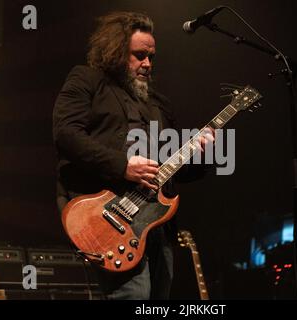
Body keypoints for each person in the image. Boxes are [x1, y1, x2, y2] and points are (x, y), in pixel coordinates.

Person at [53, 11, 214, 300]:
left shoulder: (158, 104)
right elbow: (66, 135)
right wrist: (123, 166)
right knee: (133, 295)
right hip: (106, 213)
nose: (147, 64)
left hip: (155, 222)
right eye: (139, 55)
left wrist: (201, 154)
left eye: (151, 56)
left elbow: (171, 166)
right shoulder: (87, 80)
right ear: (115, 52)